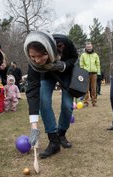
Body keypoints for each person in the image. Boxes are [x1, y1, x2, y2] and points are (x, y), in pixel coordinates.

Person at [24, 31, 78, 159]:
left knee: (67, 105)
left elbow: (74, 58)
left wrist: (63, 65)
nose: (37, 60)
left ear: (48, 50)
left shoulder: (64, 42)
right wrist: (34, 129)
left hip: (65, 73)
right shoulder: (34, 65)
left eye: (40, 56)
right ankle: (54, 142)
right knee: (43, 101)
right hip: (46, 75)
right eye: (32, 56)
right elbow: (32, 92)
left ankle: (61, 134)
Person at [80, 42, 101, 107]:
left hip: (94, 74)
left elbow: (98, 64)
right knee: (86, 89)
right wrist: (82, 72)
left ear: (92, 47)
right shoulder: (83, 55)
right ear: (85, 48)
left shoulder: (95, 55)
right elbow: (81, 64)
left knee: (94, 89)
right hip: (86, 73)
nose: (89, 48)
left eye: (90, 47)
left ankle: (94, 102)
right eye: (87, 47)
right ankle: (86, 102)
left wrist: (99, 73)